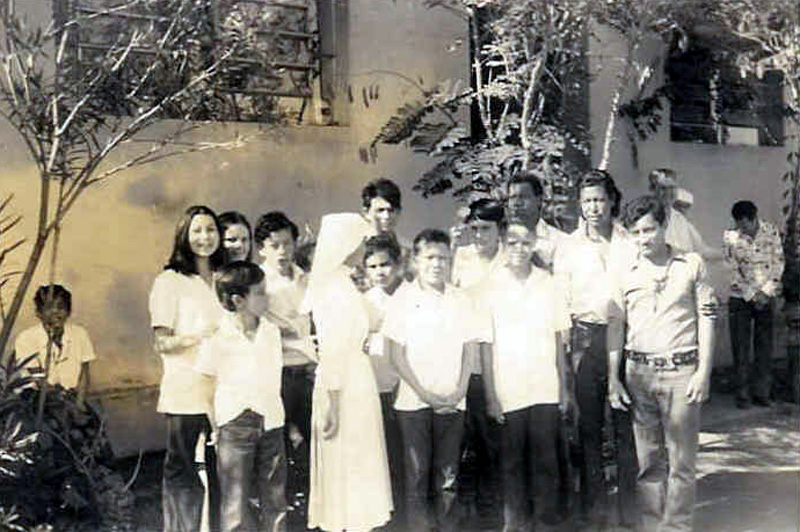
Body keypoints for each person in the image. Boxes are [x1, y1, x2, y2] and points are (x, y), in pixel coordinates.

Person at [608, 196, 717, 532]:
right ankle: (652, 524)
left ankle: (677, 527)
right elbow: (615, 326)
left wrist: (703, 371)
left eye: (650, 229)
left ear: (663, 226)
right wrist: (614, 379)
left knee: (681, 460)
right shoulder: (625, 271)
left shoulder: (692, 264)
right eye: (637, 232)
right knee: (648, 461)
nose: (644, 238)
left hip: (681, 372)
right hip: (638, 373)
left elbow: (708, 318)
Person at [382, 229, 491, 532]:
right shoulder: (403, 299)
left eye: (444, 258)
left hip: (452, 401)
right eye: (430, 257)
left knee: (448, 476)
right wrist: (423, 393)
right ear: (416, 260)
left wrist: (459, 390)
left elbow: (471, 348)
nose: (437, 264)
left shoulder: (461, 298)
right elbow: (395, 354)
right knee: (416, 476)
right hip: (414, 403)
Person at [553, 169, 638, 528]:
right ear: (579, 204)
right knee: (588, 427)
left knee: (626, 426)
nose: (593, 208)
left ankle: (630, 510)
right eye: (587, 201)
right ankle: (595, 511)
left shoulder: (629, 241)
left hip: (627, 339)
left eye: (599, 199)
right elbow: (560, 302)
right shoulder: (568, 247)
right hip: (585, 339)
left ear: (612, 200)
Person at [477, 222, 570, 531]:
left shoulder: (549, 283)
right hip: (508, 389)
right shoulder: (490, 286)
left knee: (546, 462)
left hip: (544, 387)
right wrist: (491, 395)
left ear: (534, 245)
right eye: (512, 242)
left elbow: (559, 340)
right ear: (504, 243)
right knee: (512, 463)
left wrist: (564, 389)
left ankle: (545, 523)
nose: (519, 248)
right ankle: (515, 525)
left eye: (525, 242)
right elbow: (486, 345)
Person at [306, 213, 393, 532]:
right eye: (361, 241)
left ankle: (360, 522)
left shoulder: (344, 283)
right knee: (346, 457)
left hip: (357, 379)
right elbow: (331, 350)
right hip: (341, 383)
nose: (365, 247)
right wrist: (332, 401)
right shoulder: (331, 289)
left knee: (359, 458)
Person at [149, 205, 225, 532]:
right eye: (197, 230)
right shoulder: (170, 281)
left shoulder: (224, 278)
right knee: (182, 470)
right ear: (184, 235)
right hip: (186, 390)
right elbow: (162, 342)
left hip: (224, 389)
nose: (204, 237)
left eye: (210, 230)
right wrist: (199, 336)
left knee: (221, 470)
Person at [195, 262, 287, 532]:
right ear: (238, 300)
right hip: (235, 423)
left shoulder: (271, 331)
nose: (267, 297)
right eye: (260, 293)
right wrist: (214, 424)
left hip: (271, 421)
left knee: (275, 498)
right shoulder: (218, 336)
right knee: (235, 503)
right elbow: (205, 381)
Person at [253, 211, 316, 521]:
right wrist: (290, 336)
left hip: (310, 371)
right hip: (280, 374)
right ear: (262, 248)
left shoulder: (306, 277)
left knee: (313, 441)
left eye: (287, 243)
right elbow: (260, 331)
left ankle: (312, 511)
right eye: (274, 244)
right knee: (282, 448)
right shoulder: (260, 282)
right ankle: (286, 513)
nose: (282, 251)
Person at [451, 198, 505, 528]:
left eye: (485, 229)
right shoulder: (462, 257)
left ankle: (493, 513)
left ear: (500, 229)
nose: (478, 235)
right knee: (462, 442)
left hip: (501, 364)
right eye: (474, 229)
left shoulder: (509, 260)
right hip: (466, 363)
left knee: (494, 443)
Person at [361, 234, 406, 528]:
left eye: (385, 264)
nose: (380, 271)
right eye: (373, 266)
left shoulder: (409, 297)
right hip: (375, 389)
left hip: (406, 388)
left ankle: (406, 516)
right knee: (382, 457)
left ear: (399, 265)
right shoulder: (363, 303)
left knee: (406, 458)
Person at [723, 200, 784, 408]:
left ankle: (762, 393)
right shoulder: (730, 237)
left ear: (754, 218)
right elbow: (732, 270)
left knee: (764, 346)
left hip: (766, 296)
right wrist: (752, 295)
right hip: (740, 298)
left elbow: (778, 262)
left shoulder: (771, 232)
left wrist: (765, 293)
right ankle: (743, 395)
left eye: (746, 224)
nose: (743, 229)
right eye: (739, 225)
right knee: (741, 348)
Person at [15, 284, 97, 406]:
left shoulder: (80, 334)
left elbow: (84, 375)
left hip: (70, 397)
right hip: (37, 399)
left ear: (68, 312)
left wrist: (78, 405)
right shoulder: (26, 338)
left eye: (61, 307)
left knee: (92, 418)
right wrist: (63, 401)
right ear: (38, 312)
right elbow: (38, 379)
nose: (55, 312)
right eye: (48, 308)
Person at [647, 168, 720, 261]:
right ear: (652, 190)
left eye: (672, 188)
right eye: (663, 188)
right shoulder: (645, 220)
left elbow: (702, 250)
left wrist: (728, 253)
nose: (668, 192)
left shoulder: (679, 219)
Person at [505, 172, 567, 270]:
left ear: (539, 200)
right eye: (512, 197)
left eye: (523, 197)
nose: (516, 203)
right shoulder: (499, 239)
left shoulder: (559, 241)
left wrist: (542, 267)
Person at [361, 178, 413, 280]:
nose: (387, 216)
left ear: (399, 212)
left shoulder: (408, 250)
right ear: (366, 213)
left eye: (391, 210)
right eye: (380, 210)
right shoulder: (355, 248)